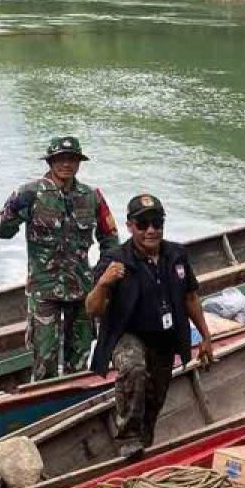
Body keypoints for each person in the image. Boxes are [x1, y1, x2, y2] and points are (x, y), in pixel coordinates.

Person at [86, 194, 215, 456]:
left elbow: (190, 297)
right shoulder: (115, 259)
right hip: (127, 335)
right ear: (130, 226)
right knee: (134, 369)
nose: (151, 230)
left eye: (157, 222)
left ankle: (142, 449)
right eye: (143, 224)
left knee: (154, 400)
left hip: (164, 339)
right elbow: (92, 308)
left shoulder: (176, 255)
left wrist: (206, 337)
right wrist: (103, 283)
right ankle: (127, 436)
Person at [0, 136, 119, 382]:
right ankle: (43, 404)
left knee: (80, 360)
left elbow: (110, 239)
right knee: (44, 360)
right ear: (50, 162)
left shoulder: (92, 197)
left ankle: (75, 404)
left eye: (72, 159)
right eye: (60, 159)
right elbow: (1, 231)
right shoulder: (30, 193)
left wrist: (102, 277)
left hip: (82, 290)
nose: (66, 164)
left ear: (79, 163)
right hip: (44, 290)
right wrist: (13, 210)